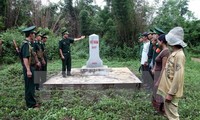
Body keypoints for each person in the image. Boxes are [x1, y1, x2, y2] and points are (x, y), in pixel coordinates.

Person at [157, 27, 187, 120]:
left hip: (171, 91)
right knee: (168, 114)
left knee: (173, 116)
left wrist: (171, 93)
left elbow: (178, 76)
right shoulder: (174, 53)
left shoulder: (180, 55)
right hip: (167, 89)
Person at [20, 26, 40, 108]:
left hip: (32, 66)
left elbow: (33, 54)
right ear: (30, 34)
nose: (34, 35)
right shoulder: (25, 44)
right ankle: (30, 104)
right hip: (28, 67)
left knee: (31, 86)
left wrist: (37, 61)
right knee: (29, 86)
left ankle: (32, 101)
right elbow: (25, 58)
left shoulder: (30, 44)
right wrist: (28, 70)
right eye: (33, 33)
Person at [151, 34, 170, 114]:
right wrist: (154, 68)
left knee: (160, 91)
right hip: (157, 73)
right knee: (157, 91)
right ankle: (158, 108)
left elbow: (164, 67)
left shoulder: (166, 52)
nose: (157, 42)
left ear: (162, 41)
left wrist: (159, 80)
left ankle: (163, 109)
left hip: (160, 75)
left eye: (158, 41)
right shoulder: (162, 50)